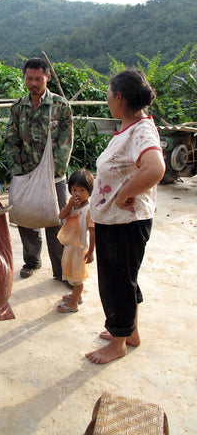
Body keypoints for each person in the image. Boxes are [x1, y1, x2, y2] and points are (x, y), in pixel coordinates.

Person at [85, 69, 165, 364]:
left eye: (108, 94)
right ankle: (129, 332)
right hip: (119, 222)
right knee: (125, 279)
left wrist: (124, 193)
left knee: (116, 282)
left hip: (124, 223)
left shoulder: (141, 130)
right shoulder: (133, 127)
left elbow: (155, 168)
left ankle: (118, 342)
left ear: (119, 97)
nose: (106, 99)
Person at [5, 57, 73, 280]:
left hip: (53, 177)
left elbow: (65, 143)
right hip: (25, 174)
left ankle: (61, 270)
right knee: (26, 219)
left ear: (48, 78)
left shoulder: (60, 106)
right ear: (24, 78)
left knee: (57, 220)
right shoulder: (18, 108)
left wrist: (52, 173)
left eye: (38, 79)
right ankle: (32, 261)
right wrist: (19, 171)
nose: (33, 83)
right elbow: (11, 141)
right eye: (29, 78)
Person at [56, 169, 95, 313]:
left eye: (82, 190)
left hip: (80, 249)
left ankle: (73, 303)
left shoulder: (89, 210)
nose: (77, 193)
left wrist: (90, 252)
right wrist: (69, 205)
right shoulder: (71, 205)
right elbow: (61, 216)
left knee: (78, 278)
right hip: (70, 247)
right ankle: (75, 296)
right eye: (74, 189)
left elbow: (92, 232)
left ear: (89, 191)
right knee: (71, 274)